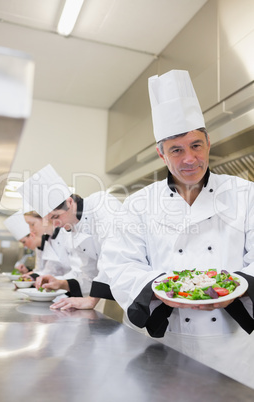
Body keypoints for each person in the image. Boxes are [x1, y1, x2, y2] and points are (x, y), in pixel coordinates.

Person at [98, 69, 254, 339]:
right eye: (176, 150)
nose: (190, 159)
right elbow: (120, 264)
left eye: (196, 145)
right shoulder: (138, 204)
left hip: (233, 343)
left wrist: (236, 285)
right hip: (169, 338)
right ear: (161, 154)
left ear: (208, 143)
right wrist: (160, 288)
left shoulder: (246, 193)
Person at [18, 164, 122, 310]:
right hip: (117, 295)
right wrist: (61, 283)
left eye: (56, 216)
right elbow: (89, 274)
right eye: (50, 220)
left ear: (69, 202)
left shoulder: (101, 203)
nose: (56, 224)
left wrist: (91, 300)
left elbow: (114, 254)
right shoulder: (72, 229)